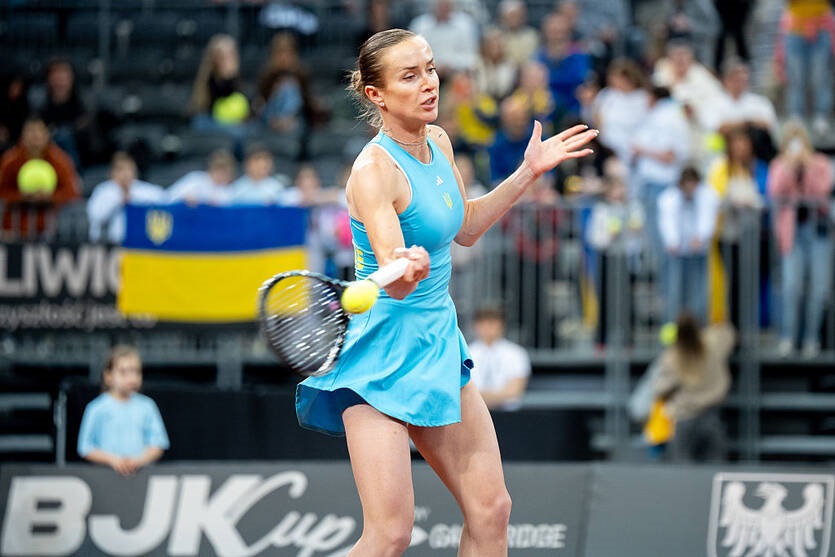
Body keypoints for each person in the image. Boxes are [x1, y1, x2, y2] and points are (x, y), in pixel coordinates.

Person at [295, 29, 597, 556]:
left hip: (437, 343)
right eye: (410, 76)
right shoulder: (373, 172)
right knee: (390, 534)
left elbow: (467, 227)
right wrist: (405, 266)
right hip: (380, 354)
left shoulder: (438, 141)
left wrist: (528, 172)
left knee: (491, 510)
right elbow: (394, 273)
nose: (429, 83)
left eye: (430, 69)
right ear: (376, 94)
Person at [767, 120, 833, 358]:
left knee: (819, 287)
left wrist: (807, 165)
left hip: (818, 233)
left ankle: (811, 339)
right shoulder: (778, 164)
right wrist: (789, 166)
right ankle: (788, 338)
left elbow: (822, 191)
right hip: (792, 233)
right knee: (791, 286)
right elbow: (775, 191)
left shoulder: (820, 163)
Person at [649, 311, 733, 462]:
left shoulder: (672, 357)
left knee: (683, 469)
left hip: (684, 418)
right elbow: (727, 332)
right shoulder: (712, 345)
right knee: (714, 468)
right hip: (712, 414)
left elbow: (659, 389)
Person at [77, 345, 170, 476]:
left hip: (141, 476)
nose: (131, 378)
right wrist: (113, 460)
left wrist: (139, 461)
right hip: (105, 476)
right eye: (123, 372)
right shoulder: (96, 408)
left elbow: (158, 444)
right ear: (108, 376)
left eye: (136, 371)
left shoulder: (147, 406)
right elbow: (85, 448)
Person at [0, 115, 80, 240]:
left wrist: (49, 197)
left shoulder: (60, 160)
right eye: (30, 131)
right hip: (14, 229)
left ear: (47, 135)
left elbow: (72, 193)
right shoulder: (11, 160)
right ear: (22, 135)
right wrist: (22, 196)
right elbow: (2, 191)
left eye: (38, 131)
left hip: (52, 230)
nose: (35, 136)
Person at [658, 165, 720, 325]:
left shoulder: (706, 195)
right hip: (677, 254)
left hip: (698, 253)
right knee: (675, 291)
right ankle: (673, 327)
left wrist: (701, 237)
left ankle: (698, 328)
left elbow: (708, 217)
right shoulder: (669, 198)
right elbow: (667, 221)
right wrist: (672, 241)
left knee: (699, 292)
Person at [773, 0, 834, 136]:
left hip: (822, 26)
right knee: (796, 77)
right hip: (795, 28)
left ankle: (821, 115)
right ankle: (796, 115)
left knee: (821, 76)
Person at [86, 152, 166, 244]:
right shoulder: (103, 190)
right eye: (120, 169)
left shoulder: (142, 189)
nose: (125, 174)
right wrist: (119, 199)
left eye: (129, 169)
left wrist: (133, 197)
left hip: (140, 242)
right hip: (108, 244)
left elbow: (164, 199)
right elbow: (96, 217)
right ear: (112, 172)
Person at [467, 305, 531, 410]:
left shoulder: (517, 353)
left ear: (502, 325)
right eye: (483, 323)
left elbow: (515, 390)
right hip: (474, 413)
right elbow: (463, 388)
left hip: (508, 413)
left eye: (492, 323)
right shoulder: (466, 353)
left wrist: (480, 398)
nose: (487, 328)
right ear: (476, 325)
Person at [167, 148, 238, 205]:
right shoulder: (195, 179)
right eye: (218, 170)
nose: (221, 175)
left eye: (225, 172)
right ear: (211, 169)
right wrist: (183, 199)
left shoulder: (230, 190)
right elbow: (169, 198)